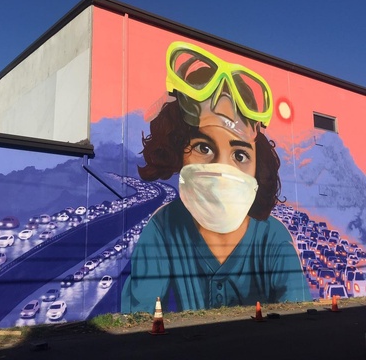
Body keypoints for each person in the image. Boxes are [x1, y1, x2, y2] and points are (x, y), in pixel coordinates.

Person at [121, 42, 312, 313]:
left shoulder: (273, 239)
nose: (222, 170)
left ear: (257, 167)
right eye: (204, 148)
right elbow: (138, 320)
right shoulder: (163, 229)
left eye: (240, 155)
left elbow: (298, 323)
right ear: (178, 151)